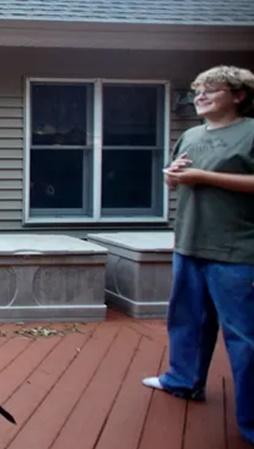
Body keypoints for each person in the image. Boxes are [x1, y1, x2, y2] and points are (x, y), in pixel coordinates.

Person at [143, 65, 254, 446]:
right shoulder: (191, 134)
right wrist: (171, 175)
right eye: (197, 91)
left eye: (211, 90)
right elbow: (174, 178)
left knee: (244, 339)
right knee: (186, 321)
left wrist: (203, 177)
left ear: (238, 95)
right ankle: (183, 381)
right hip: (189, 244)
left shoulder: (251, 132)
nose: (200, 96)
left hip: (237, 252)